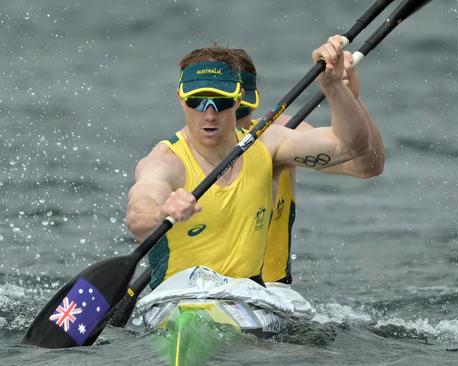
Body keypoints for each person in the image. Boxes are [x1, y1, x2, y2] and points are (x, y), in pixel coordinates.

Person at [126, 36, 373, 289]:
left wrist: (334, 88)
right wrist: (161, 213)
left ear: (238, 99)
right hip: (177, 302)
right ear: (181, 98)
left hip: (248, 297)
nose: (209, 114)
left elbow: (353, 147)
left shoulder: (267, 144)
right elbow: (137, 214)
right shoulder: (164, 162)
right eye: (197, 100)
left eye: (221, 101)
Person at [230, 48, 384, 285]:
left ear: (251, 101)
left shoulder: (280, 133)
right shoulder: (175, 153)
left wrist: (348, 97)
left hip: (268, 289)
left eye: (240, 110)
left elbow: (367, 166)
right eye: (210, 105)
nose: (227, 121)